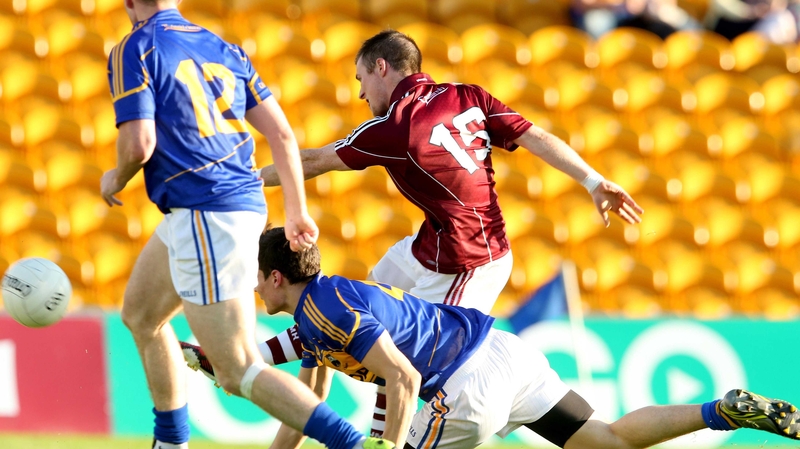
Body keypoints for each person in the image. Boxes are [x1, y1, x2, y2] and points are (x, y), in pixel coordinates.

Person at [184, 28, 645, 437]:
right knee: (347, 308)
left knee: (408, 358)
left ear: (381, 67)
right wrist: (591, 179)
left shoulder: (394, 127)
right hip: (429, 248)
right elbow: (535, 136)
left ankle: (384, 439)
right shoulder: (468, 95)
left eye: (361, 79)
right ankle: (305, 404)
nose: (361, 94)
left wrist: (233, 180)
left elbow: (310, 162)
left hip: (470, 262)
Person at [203, 226, 800, 449]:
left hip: (460, 384)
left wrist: (384, 448)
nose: (254, 292)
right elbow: (294, 381)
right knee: (609, 441)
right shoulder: (326, 305)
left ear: (275, 277)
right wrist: (218, 358)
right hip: (505, 352)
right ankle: (721, 411)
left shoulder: (324, 312)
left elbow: (402, 378)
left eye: (255, 281)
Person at [100, 1, 392, 448]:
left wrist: (115, 177)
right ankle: (171, 441)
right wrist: (295, 211)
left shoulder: (134, 47)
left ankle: (353, 445)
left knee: (238, 369)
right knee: (141, 315)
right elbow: (281, 134)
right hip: (229, 202)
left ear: (127, 4)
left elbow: (139, 143)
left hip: (203, 208)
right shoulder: (222, 47)